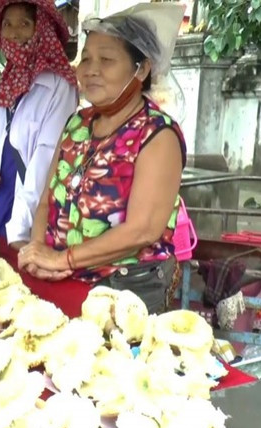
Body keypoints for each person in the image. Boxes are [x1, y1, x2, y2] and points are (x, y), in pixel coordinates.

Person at [17, 3, 188, 313]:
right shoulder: (77, 124)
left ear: (142, 69)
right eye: (86, 59)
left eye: (106, 60)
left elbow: (143, 230)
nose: (90, 70)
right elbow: (46, 200)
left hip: (124, 291)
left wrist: (63, 259)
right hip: (62, 279)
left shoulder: (157, 134)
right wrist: (38, 248)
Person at [0, 0, 79, 250]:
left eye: (24, 24)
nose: (14, 32)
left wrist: (18, 232)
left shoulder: (59, 87)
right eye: (7, 24)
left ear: (40, 29)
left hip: (29, 228)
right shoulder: (4, 86)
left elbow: (46, 160)